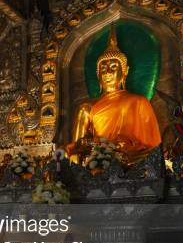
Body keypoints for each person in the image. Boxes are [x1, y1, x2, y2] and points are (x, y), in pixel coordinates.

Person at [67, 25, 161, 164]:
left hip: (132, 157)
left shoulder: (139, 102)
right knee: (67, 157)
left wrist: (125, 145)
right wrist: (93, 144)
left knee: (151, 159)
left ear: (125, 72)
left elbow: (153, 147)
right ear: (98, 74)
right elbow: (75, 148)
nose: (108, 73)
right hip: (99, 159)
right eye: (103, 68)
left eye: (113, 67)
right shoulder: (86, 107)